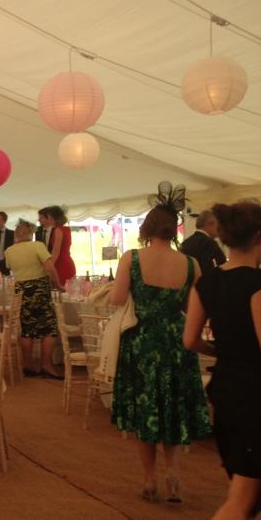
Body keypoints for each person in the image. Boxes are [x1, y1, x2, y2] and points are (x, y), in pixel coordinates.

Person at [109, 201, 211, 504]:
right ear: (174, 229)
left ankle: (149, 478)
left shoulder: (132, 258)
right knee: (172, 408)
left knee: (147, 411)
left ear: (147, 228)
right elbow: (197, 308)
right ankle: (173, 472)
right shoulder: (192, 264)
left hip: (142, 341)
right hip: (176, 340)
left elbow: (116, 299)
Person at [183, 201, 261, 519]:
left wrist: (221, 352)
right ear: (258, 236)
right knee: (240, 502)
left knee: (245, 496)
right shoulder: (257, 285)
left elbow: (190, 340)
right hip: (253, 396)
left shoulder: (207, 282)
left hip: (225, 388)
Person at [3, 220, 64, 378]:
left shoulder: (9, 250)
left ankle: (28, 364)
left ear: (16, 235)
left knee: (27, 330)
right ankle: (46, 364)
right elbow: (50, 268)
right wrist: (58, 285)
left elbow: (11, 268)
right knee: (49, 328)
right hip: (39, 289)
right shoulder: (38, 246)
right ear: (30, 233)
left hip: (21, 290)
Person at [43, 206, 76, 287]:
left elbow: (56, 251)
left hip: (61, 264)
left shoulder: (58, 230)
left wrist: (49, 267)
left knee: (60, 290)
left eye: (49, 217)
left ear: (53, 218)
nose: (48, 219)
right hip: (66, 261)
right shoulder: (66, 229)